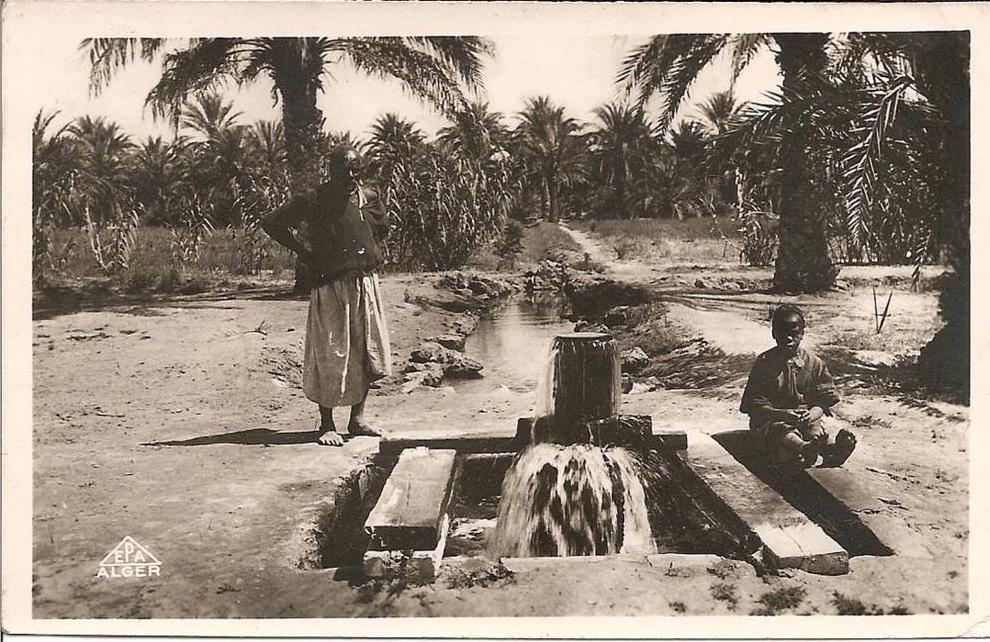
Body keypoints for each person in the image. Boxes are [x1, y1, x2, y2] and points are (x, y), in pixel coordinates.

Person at [262, 146, 392, 446]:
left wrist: (360, 247)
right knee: (332, 353)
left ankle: (358, 420)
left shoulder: (368, 197)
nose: (351, 175)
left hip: (365, 284)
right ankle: (327, 424)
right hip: (331, 286)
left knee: (365, 351)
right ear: (330, 170)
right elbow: (271, 223)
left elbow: (380, 229)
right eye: (344, 169)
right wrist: (304, 252)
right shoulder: (314, 199)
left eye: (355, 169)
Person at [740, 304, 856, 468]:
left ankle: (832, 450)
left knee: (815, 431)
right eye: (782, 333)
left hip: (805, 419)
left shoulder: (814, 363)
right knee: (782, 431)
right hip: (772, 421)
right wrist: (783, 414)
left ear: (802, 334)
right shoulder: (765, 363)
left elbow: (823, 400)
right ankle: (804, 448)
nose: (788, 338)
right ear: (774, 333)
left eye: (794, 334)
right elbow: (754, 404)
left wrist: (812, 414)